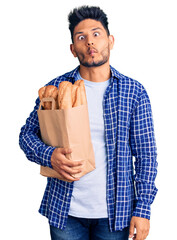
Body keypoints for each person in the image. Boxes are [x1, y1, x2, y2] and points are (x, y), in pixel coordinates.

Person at [19, 5, 158, 240]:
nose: (90, 43)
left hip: (116, 214)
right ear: (73, 49)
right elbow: (26, 135)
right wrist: (49, 155)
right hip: (65, 211)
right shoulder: (54, 89)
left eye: (96, 34)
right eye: (81, 37)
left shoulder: (134, 92)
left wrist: (143, 209)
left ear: (110, 41)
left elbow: (146, 155)